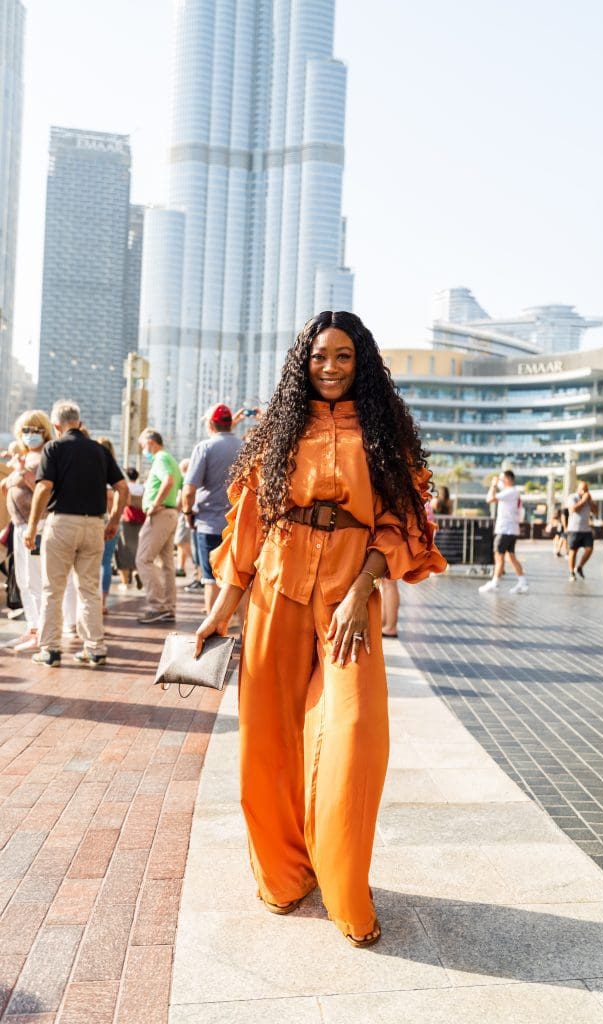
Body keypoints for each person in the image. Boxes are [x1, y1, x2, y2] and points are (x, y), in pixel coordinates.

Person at [194, 311, 446, 947]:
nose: (329, 367)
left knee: (355, 734)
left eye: (342, 356)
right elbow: (250, 521)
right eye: (317, 356)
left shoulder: (383, 432)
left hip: (347, 589)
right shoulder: (277, 430)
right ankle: (283, 874)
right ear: (300, 363)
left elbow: (395, 522)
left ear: (360, 361)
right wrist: (222, 608)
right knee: (268, 736)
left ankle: (345, 889)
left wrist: (360, 590)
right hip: (277, 584)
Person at [24, 400, 128, 667]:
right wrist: (114, 520)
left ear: (56, 425)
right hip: (94, 525)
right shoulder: (99, 450)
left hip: (62, 524)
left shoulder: (53, 448)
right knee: (89, 590)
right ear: (79, 423)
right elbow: (122, 488)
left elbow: (44, 487)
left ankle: (50, 650)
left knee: (52, 590)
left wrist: (33, 525)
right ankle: (95, 648)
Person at [1, 409, 79, 652]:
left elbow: (44, 489)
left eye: (35, 430)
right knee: (24, 581)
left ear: (45, 431)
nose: (30, 435)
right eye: (25, 430)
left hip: (38, 526)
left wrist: (22, 472)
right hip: (20, 525)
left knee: (37, 580)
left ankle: (42, 631)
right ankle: (33, 627)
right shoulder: (25, 456)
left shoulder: (47, 454)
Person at [181, 403, 243, 615]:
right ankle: (246, 636)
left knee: (210, 579)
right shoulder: (245, 447)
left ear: (210, 424)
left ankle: (214, 636)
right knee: (238, 580)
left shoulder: (205, 448)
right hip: (237, 525)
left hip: (208, 524)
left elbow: (189, 490)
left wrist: (188, 513)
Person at [135, 429, 183, 624]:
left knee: (143, 559)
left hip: (160, 515)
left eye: (142, 446)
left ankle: (157, 606)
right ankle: (168, 607)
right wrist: (176, 508)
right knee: (166, 564)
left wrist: (155, 504)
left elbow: (169, 481)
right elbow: (181, 485)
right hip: (170, 513)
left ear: (151, 442)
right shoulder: (171, 459)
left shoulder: (161, 458)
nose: (143, 451)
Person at [479, 469, 529, 594]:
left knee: (499, 556)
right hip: (510, 529)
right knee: (511, 557)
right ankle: (522, 582)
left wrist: (493, 485)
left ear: (507, 479)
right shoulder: (513, 492)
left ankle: (495, 583)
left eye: (501, 479)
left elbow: (489, 499)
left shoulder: (510, 491)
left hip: (505, 529)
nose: (500, 481)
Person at [96, 437, 121, 615]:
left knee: (96, 563)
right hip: (113, 521)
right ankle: (102, 602)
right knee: (106, 562)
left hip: (99, 520)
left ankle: (97, 602)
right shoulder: (115, 472)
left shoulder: (97, 471)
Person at [116, 467, 145, 588]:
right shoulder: (142, 488)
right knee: (137, 549)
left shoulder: (125, 487)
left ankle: (125, 582)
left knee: (123, 550)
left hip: (126, 521)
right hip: (140, 521)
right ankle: (137, 572)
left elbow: (123, 503)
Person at [567, 480, 597, 581]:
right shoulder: (572, 497)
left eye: (587, 489)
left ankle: (579, 566)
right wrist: (583, 501)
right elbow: (573, 509)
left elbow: (595, 511)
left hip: (586, 529)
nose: (585, 492)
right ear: (578, 489)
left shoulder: (588, 499)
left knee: (590, 549)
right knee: (573, 551)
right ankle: (571, 572)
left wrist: (590, 501)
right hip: (574, 529)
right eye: (583, 489)